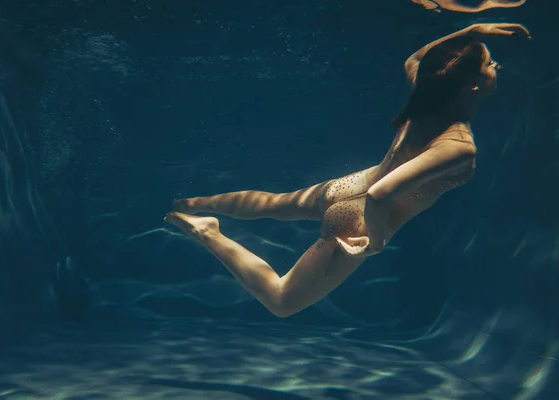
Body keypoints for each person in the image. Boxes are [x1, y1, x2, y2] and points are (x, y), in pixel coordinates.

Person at [164, 23, 531, 318]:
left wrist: (474, 31)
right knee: (281, 302)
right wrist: (374, 244)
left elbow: (416, 58)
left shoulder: (426, 98)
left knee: (273, 203)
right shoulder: (458, 147)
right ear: (471, 83)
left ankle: (191, 201)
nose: (495, 66)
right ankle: (207, 232)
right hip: (358, 219)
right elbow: (381, 196)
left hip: (347, 185)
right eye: (489, 63)